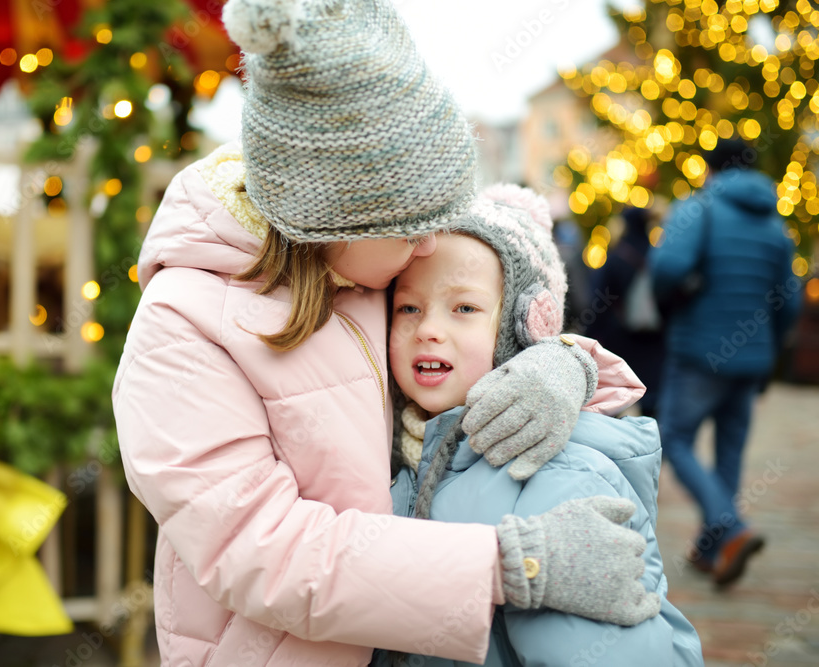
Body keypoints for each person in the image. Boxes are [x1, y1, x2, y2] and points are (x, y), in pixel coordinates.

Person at [112, 1, 659, 664]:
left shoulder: (368, 268)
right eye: (410, 228)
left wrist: (559, 361)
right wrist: (507, 565)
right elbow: (262, 551)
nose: (429, 244)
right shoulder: (181, 330)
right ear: (332, 220)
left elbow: (486, 309)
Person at [377, 184, 702, 666]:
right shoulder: (393, 449)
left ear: (523, 325)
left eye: (464, 308)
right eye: (409, 308)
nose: (428, 329)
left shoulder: (555, 474)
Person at [649, 137, 803, 586]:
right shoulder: (775, 224)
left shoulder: (700, 208)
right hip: (753, 358)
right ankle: (712, 549)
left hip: (700, 349)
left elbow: (667, 268)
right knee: (729, 452)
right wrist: (771, 349)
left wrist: (669, 307)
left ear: (711, 169)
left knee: (674, 439)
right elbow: (790, 301)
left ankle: (730, 529)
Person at [585, 206, 667, 417]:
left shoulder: (617, 257)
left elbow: (598, 304)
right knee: (651, 405)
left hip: (620, 341)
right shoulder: (657, 257)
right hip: (654, 340)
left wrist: (589, 337)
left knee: (615, 403)